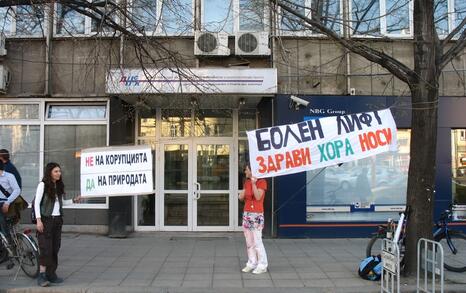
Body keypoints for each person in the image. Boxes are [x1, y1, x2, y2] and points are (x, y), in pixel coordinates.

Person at [34, 162, 81, 287]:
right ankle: (42, 275)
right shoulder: (42, 185)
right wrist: (39, 220)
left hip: (57, 221)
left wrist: (74, 201)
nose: (58, 173)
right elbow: (36, 203)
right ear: (49, 172)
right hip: (45, 220)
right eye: (56, 171)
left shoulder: (58, 186)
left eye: (59, 171)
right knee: (46, 248)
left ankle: (51, 274)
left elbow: (61, 204)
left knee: (55, 247)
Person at [238, 163, 268, 274]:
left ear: (252, 170)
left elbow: (258, 196)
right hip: (247, 214)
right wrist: (246, 187)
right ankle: (252, 262)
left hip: (257, 214)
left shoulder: (261, 182)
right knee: (249, 240)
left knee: (257, 240)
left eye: (246, 170)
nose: (245, 171)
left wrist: (254, 184)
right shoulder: (246, 182)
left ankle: (262, 264)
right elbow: (241, 197)